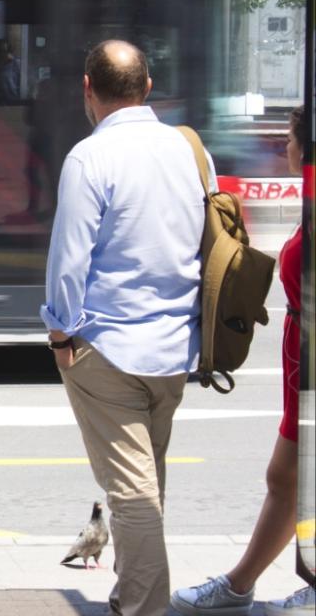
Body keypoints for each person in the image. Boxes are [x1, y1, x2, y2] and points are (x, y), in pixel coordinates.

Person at [41, 39, 210, 616]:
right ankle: (127, 594)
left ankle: (142, 606)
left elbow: (69, 260)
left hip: (109, 351)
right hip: (177, 349)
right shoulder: (190, 150)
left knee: (133, 492)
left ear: (88, 90)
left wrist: (62, 337)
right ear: (148, 86)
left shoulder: (90, 158)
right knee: (147, 481)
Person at [170, 105, 314, 616]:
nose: (284, 148)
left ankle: (239, 587)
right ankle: (240, 586)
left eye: (291, 138)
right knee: (289, 476)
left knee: (287, 475)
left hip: (311, 359)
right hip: (302, 357)